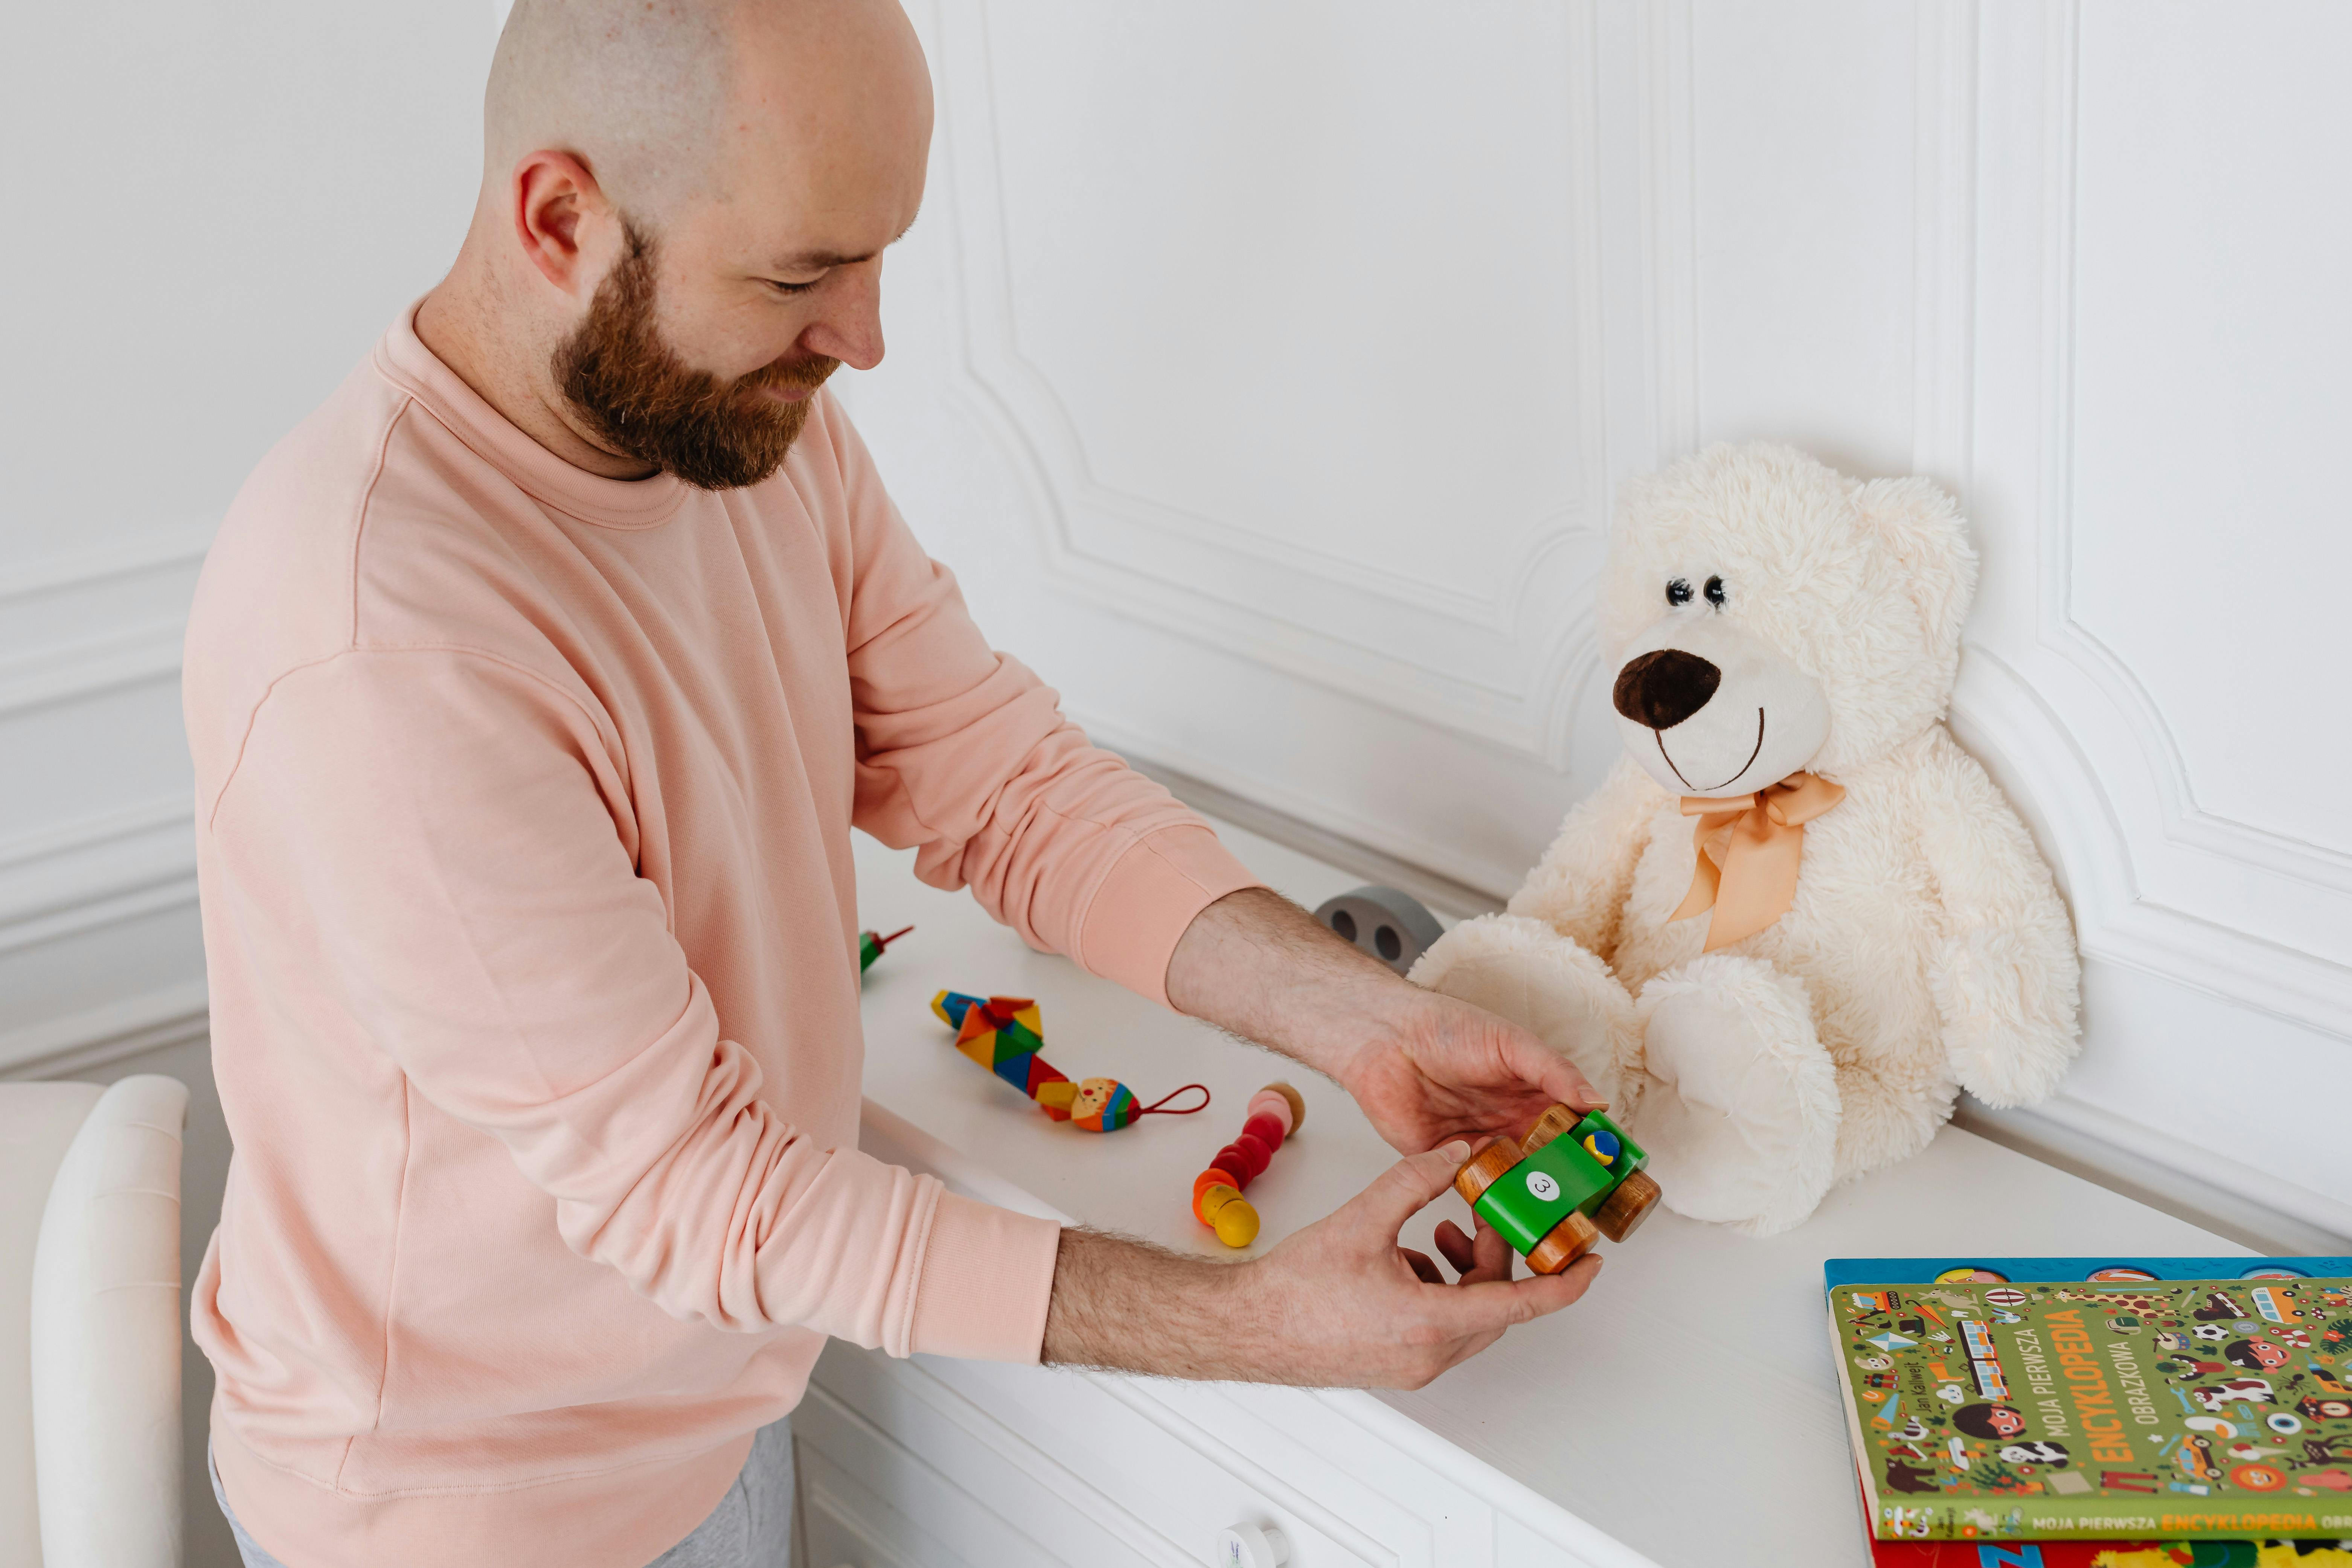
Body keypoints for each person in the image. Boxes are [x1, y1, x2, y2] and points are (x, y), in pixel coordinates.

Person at [181, 2, 1607, 1564]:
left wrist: (1358, 1017)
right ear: (560, 217)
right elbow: (700, 1195)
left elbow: (998, 778)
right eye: (799, 275)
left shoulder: (744, 432)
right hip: (470, 1517)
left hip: (712, 1401)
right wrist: (1252, 1321)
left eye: (875, 259)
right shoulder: (377, 637)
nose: (862, 338)